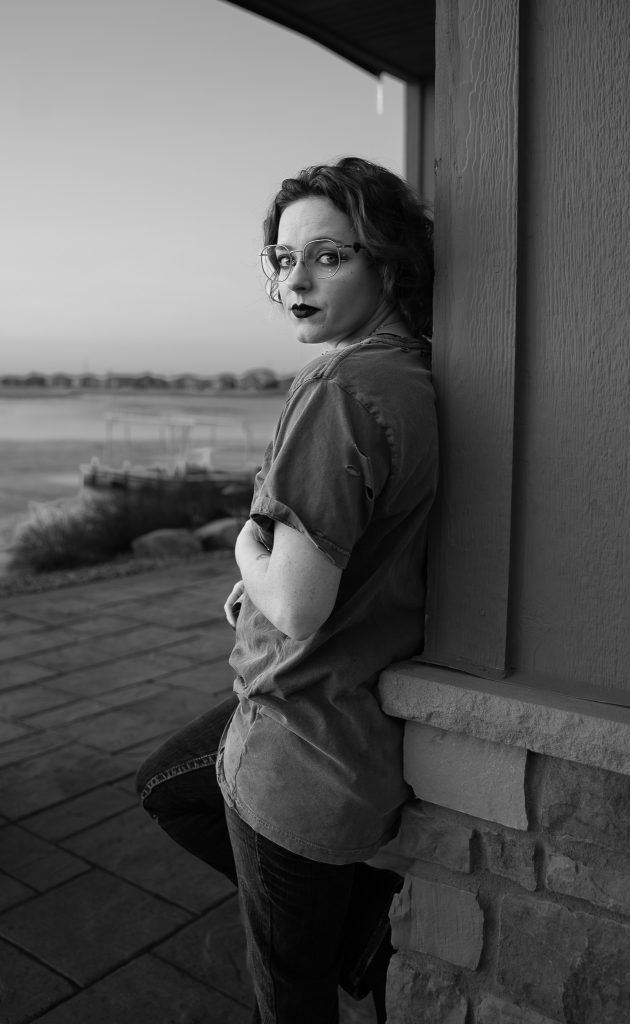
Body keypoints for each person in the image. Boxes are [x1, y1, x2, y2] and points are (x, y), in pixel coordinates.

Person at [136, 156, 438, 1024]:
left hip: (296, 741)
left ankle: (358, 927)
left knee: (288, 998)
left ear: (387, 261)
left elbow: (300, 605)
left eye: (328, 256)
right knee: (167, 783)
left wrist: (244, 550)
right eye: (282, 257)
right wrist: (267, 584)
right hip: (335, 718)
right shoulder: (409, 371)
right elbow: (345, 557)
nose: (296, 279)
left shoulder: (340, 388)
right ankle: (362, 930)